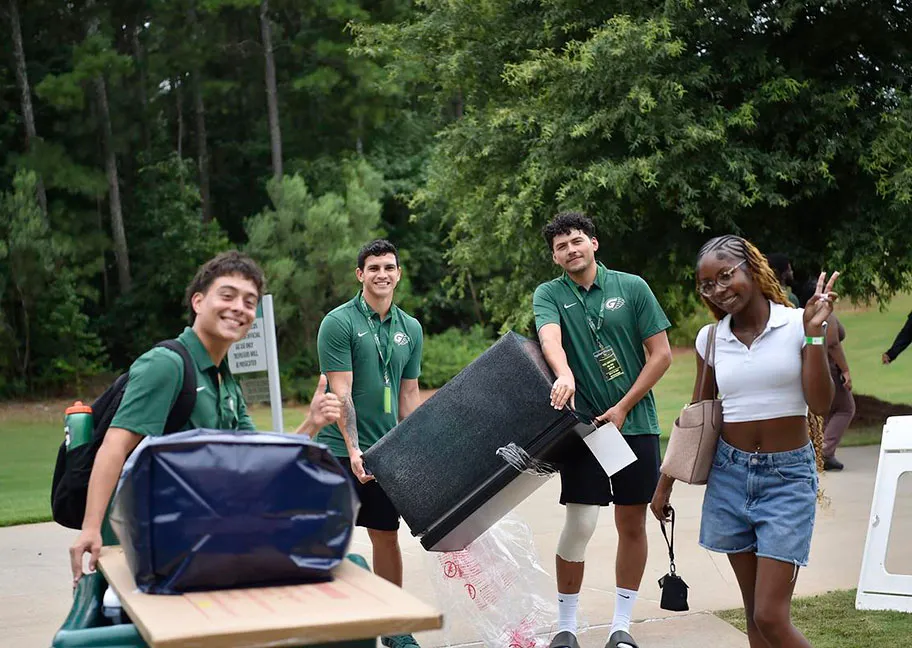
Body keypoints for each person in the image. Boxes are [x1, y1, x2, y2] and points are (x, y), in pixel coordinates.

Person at [69, 251, 342, 585]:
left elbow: (260, 458)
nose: (239, 307)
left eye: (249, 302)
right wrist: (91, 529)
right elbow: (114, 447)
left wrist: (312, 423)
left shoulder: (225, 380)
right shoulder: (166, 365)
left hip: (205, 540)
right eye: (227, 295)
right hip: (152, 548)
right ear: (198, 302)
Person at [652, 235, 837, 648]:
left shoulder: (797, 323)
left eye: (725, 276)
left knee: (771, 616)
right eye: (707, 284)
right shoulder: (710, 339)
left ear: (751, 268)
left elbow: (821, 403)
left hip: (786, 479)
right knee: (754, 615)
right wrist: (665, 483)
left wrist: (814, 335)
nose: (718, 290)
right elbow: (697, 417)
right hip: (730, 476)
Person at [533, 212, 673, 648]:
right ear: (555, 257)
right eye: (561, 246)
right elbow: (550, 339)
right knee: (580, 523)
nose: (570, 250)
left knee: (632, 522)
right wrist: (564, 373)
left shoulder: (632, 287)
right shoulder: (549, 293)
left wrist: (624, 406)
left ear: (594, 243)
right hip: (585, 428)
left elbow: (661, 355)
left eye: (576, 241)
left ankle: (621, 626)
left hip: (634, 424)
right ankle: (566, 627)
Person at [316, 239, 424, 648]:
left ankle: (394, 627)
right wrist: (354, 449)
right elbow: (341, 392)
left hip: (385, 451)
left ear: (398, 274)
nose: (382, 274)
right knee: (329, 538)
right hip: (337, 450)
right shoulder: (339, 322)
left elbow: (408, 393)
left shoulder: (410, 328)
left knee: (385, 534)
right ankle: (328, 626)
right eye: (374, 267)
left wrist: (417, 447)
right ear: (360, 274)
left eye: (389, 267)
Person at [822, 316, 854, 471]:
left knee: (827, 409)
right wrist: (845, 370)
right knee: (845, 408)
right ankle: (825, 451)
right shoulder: (824, 311)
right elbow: (832, 343)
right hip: (828, 366)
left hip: (813, 365)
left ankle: (823, 452)